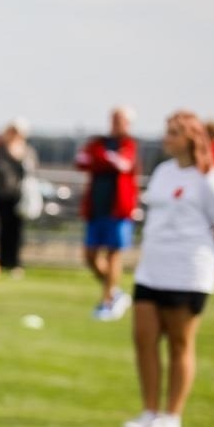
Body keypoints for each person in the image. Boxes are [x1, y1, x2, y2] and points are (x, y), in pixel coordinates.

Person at [123, 112, 214, 427]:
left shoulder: (210, 179)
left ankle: (172, 416)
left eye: (173, 133)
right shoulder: (162, 171)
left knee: (179, 343)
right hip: (152, 268)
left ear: (191, 138)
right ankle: (149, 411)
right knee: (144, 339)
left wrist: (212, 257)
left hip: (188, 272)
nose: (167, 138)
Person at [76, 106, 139, 320]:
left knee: (113, 255)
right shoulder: (98, 142)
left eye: (120, 120)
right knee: (90, 255)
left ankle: (107, 301)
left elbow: (122, 165)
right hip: (96, 208)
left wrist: (100, 159)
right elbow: (82, 161)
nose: (115, 123)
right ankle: (115, 290)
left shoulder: (128, 145)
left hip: (118, 209)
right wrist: (103, 158)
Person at [0, 118, 36, 275]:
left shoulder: (27, 151)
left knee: (17, 231)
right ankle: (2, 260)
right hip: (3, 194)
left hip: (20, 196)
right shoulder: (0, 150)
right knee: (3, 229)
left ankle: (15, 262)